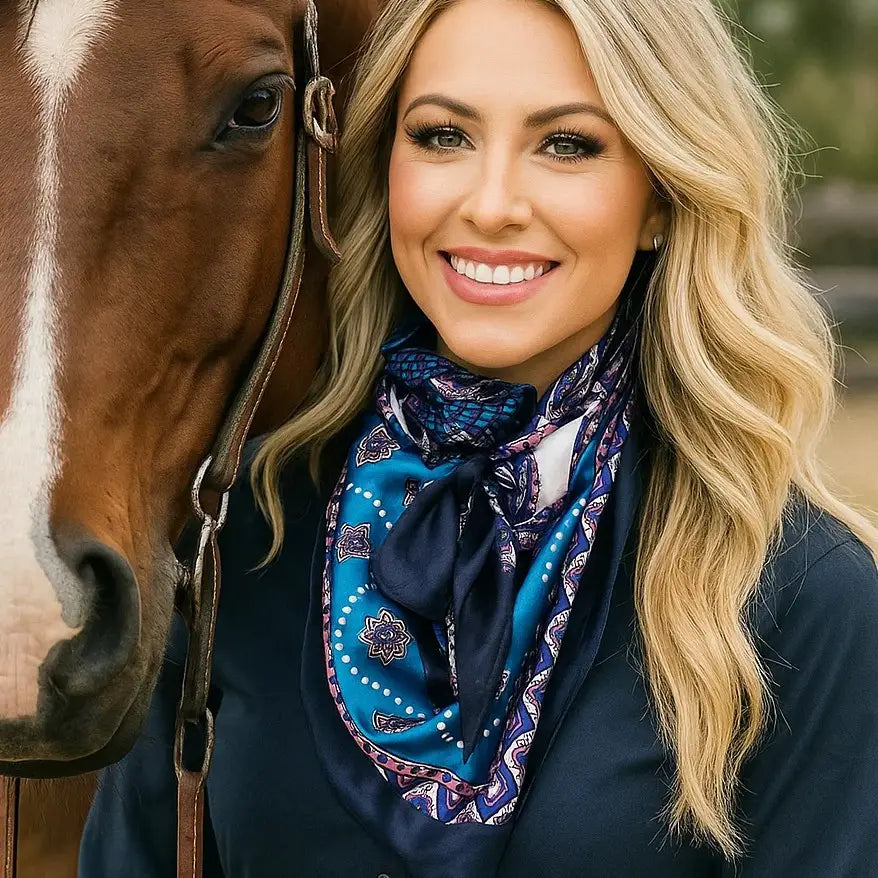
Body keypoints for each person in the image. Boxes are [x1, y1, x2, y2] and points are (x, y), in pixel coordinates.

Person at [79, 0, 878, 875]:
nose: (491, 205)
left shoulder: (800, 598)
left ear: (661, 197)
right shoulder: (244, 532)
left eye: (567, 144)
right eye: (443, 136)